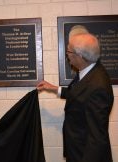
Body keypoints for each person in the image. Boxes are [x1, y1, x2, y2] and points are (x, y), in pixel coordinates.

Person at [37, 33, 113, 162]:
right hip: (77, 151)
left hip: (85, 155)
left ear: (80, 56)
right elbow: (81, 95)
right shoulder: (90, 71)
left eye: (69, 51)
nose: (67, 54)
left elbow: (97, 138)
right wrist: (56, 89)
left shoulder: (98, 86)